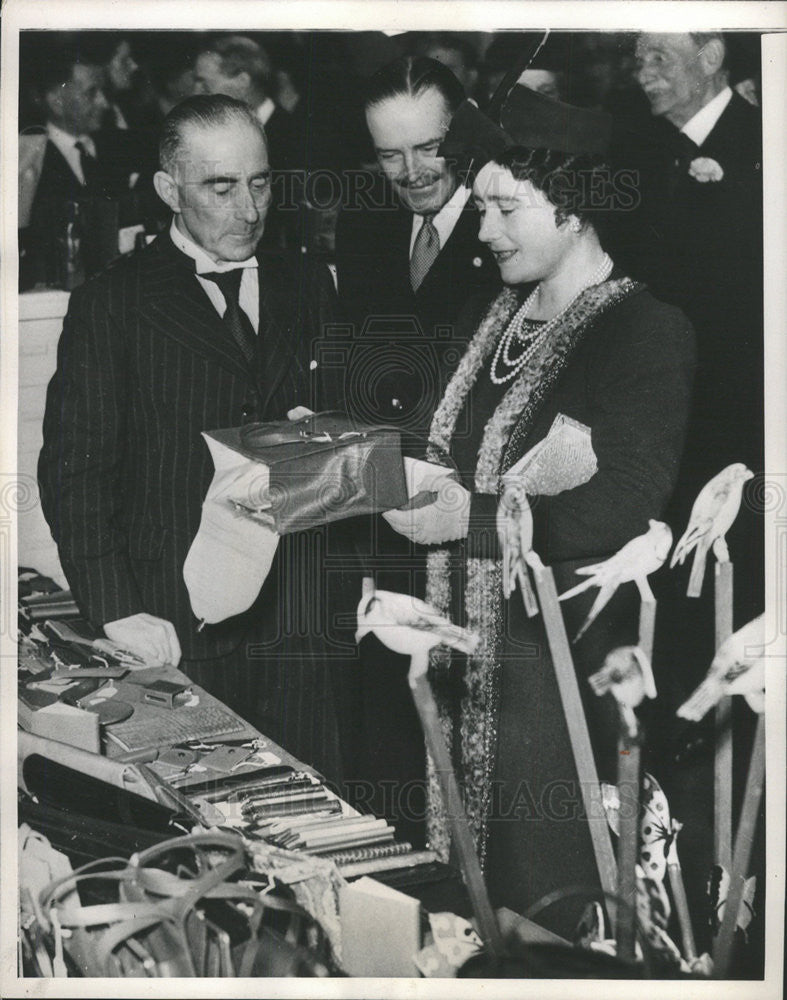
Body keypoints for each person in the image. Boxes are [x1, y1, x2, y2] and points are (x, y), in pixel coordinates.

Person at [383, 85, 696, 937]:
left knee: (552, 908)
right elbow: (437, 437)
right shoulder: (495, 311)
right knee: (469, 911)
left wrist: (466, 520)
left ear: (576, 210)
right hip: (468, 655)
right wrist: (367, 466)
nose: (482, 231)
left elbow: (621, 505)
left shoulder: (644, 330)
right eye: (478, 206)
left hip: (560, 671)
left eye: (504, 208)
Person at [38, 95, 343, 780]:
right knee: (208, 818)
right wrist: (116, 610)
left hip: (299, 623)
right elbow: (74, 472)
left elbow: (338, 429)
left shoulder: (307, 283)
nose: (249, 209)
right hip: (174, 625)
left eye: (260, 182)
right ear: (168, 190)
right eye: (220, 187)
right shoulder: (112, 303)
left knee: (316, 810)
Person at [334, 55, 498, 434]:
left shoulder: (507, 225)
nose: (411, 173)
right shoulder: (363, 218)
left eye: (429, 148)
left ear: (468, 123)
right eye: (389, 155)